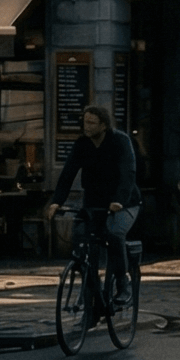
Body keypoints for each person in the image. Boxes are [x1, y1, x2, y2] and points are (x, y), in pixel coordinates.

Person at [45, 108, 141, 301]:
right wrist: (56, 202)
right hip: (94, 202)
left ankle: (123, 284)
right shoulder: (82, 144)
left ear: (103, 125)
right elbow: (68, 173)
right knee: (80, 236)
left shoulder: (120, 141)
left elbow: (128, 173)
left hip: (125, 203)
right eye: (85, 122)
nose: (86, 127)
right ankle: (91, 287)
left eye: (91, 123)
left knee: (114, 233)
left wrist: (119, 200)